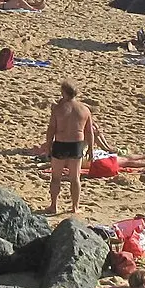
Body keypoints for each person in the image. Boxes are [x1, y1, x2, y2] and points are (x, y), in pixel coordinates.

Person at [44, 82, 98, 213]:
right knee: (75, 178)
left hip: (61, 144)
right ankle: (75, 207)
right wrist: (90, 148)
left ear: (64, 93)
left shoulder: (58, 109)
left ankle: (53, 206)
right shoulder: (84, 109)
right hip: (76, 145)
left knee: (56, 177)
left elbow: (51, 129)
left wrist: (48, 146)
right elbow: (89, 132)